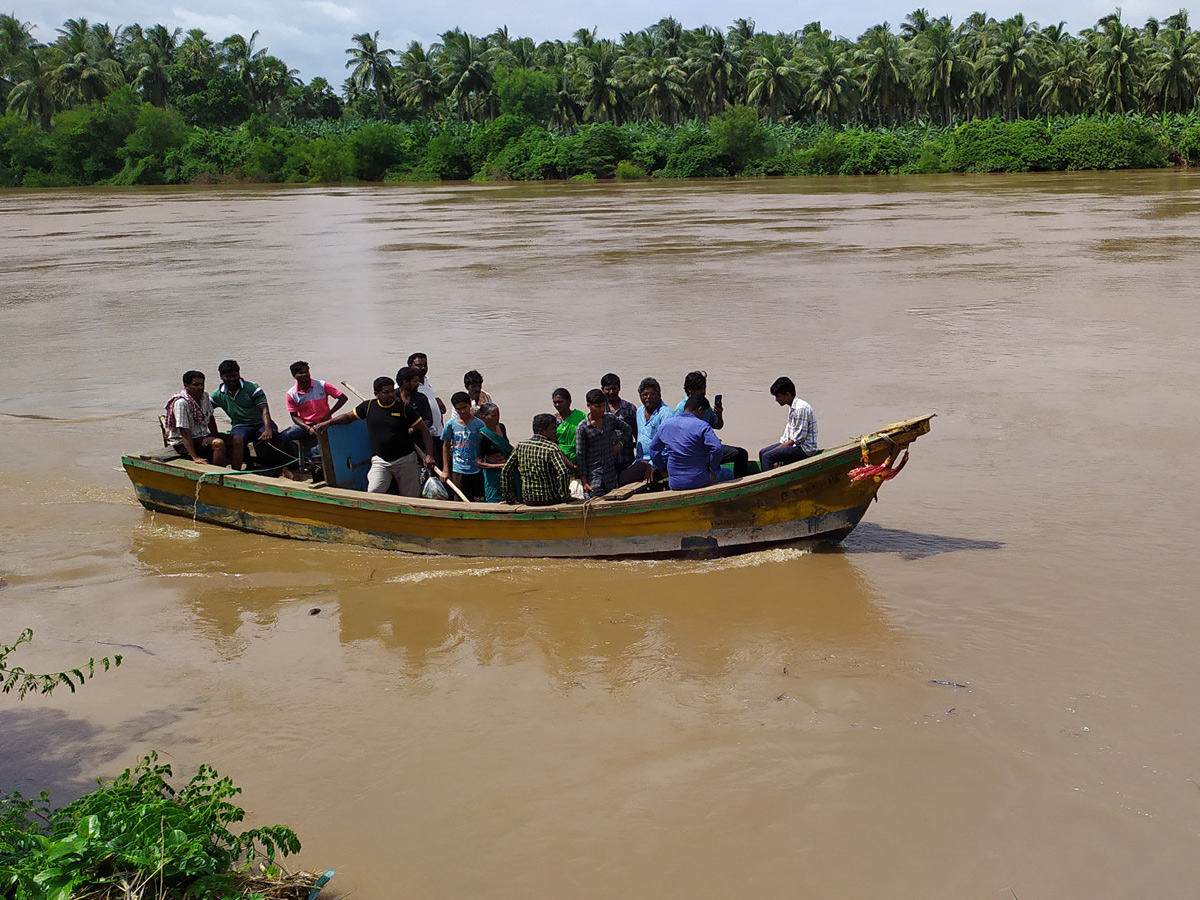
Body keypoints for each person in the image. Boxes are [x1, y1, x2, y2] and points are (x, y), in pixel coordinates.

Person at [315, 376, 434, 496]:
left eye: (392, 391)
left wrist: (429, 455)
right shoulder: (368, 407)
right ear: (376, 393)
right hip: (381, 461)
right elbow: (348, 417)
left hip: (406, 460)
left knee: (411, 497)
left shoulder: (404, 409)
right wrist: (328, 423)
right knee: (373, 492)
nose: (391, 395)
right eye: (386, 392)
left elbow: (424, 430)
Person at [211, 359, 296, 465]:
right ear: (221, 377)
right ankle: (248, 466)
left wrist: (267, 428)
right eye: (228, 377)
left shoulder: (252, 388)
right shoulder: (217, 394)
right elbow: (206, 410)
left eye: (234, 376)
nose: (232, 379)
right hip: (240, 425)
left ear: (239, 373)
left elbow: (264, 409)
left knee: (274, 435)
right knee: (237, 440)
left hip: (260, 422)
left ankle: (284, 467)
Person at [672, 370, 748, 478]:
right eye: (700, 389)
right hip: (695, 453)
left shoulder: (704, 403)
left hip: (709, 448)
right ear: (690, 390)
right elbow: (678, 438)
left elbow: (718, 425)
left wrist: (719, 414)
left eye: (705, 388)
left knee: (741, 454)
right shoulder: (682, 408)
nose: (704, 391)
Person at [650, 395, 734, 491]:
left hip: (675, 483)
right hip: (699, 480)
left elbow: (653, 449)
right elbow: (717, 448)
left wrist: (661, 468)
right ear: (700, 409)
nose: (703, 416)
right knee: (728, 473)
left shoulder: (666, 425)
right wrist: (713, 467)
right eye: (704, 413)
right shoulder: (702, 426)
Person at [282, 361, 347, 473]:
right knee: (283, 436)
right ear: (294, 376)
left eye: (306, 371)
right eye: (300, 373)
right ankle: (297, 459)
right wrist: (307, 428)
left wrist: (328, 415)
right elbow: (294, 416)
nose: (304, 375)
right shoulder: (291, 394)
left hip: (323, 423)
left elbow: (342, 398)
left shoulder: (322, 385)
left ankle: (309, 456)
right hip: (305, 425)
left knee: (325, 442)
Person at [165, 370, 239, 468]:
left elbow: (211, 418)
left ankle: (236, 471)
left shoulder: (204, 396)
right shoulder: (181, 403)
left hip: (202, 436)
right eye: (195, 385)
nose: (200, 387)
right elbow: (184, 432)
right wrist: (195, 457)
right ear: (186, 385)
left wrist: (215, 434)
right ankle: (218, 474)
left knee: (237, 439)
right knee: (218, 444)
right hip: (183, 442)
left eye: (202, 384)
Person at [501, 413, 572, 506]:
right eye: (552, 428)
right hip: (550, 499)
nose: (555, 431)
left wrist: (509, 498)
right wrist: (565, 496)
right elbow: (563, 472)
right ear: (541, 431)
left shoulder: (521, 446)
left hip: (528, 500)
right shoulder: (552, 448)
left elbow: (506, 471)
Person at [575, 388, 633, 498]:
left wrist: (619, 444)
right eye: (597, 407)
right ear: (589, 405)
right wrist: (584, 481)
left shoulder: (610, 419)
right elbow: (580, 456)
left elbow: (627, 429)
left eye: (603, 405)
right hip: (594, 480)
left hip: (611, 476)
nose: (601, 409)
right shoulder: (582, 428)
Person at [618, 376, 674, 486]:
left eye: (652, 394)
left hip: (658, 460)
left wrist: (652, 464)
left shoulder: (666, 414)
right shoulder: (639, 411)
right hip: (641, 459)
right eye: (645, 395)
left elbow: (668, 444)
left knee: (622, 480)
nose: (648, 397)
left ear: (659, 395)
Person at [759, 376, 819, 470]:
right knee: (762, 452)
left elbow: (798, 438)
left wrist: (781, 448)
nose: (776, 400)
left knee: (767, 457)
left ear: (787, 394)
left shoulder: (800, 408)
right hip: (795, 445)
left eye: (778, 396)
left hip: (804, 449)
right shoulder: (792, 408)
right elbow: (788, 433)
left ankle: (771, 482)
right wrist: (780, 448)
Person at [441, 391, 485, 501]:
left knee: (478, 500)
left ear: (470, 404)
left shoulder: (480, 425)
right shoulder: (450, 425)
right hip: (458, 470)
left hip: (477, 470)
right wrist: (446, 469)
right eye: (458, 409)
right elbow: (446, 446)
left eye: (465, 407)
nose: (462, 411)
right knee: (459, 500)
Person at [409, 352, 446, 463]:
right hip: (424, 436)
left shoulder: (426, 381)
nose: (423, 368)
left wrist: (436, 400)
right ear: (410, 366)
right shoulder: (406, 387)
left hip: (438, 432)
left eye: (425, 365)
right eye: (419, 365)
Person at [475, 402, 513, 503]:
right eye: (494, 415)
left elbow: (507, 445)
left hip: (508, 471)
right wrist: (500, 466)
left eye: (498, 414)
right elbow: (479, 463)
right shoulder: (482, 436)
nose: (498, 418)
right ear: (484, 417)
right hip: (493, 475)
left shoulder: (501, 427)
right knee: (496, 499)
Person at [601, 373, 637, 474]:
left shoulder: (629, 408)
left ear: (619, 388)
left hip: (627, 457)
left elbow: (637, 433)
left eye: (614, 388)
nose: (611, 392)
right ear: (602, 389)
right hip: (606, 460)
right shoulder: (599, 410)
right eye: (608, 389)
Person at [552, 388, 585, 466]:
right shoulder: (553, 421)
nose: (557, 405)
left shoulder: (580, 416)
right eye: (555, 402)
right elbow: (553, 443)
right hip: (561, 461)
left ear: (569, 401)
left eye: (560, 402)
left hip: (580, 458)